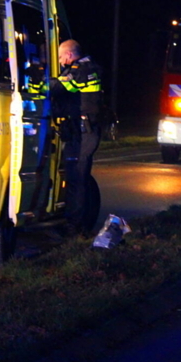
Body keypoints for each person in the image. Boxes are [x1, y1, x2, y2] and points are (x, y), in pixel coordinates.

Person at [51, 39, 104, 234]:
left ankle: (75, 227)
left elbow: (58, 87)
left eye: (61, 56)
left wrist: (33, 82)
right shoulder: (86, 67)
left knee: (77, 178)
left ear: (70, 55)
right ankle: (74, 221)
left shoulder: (81, 70)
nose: (60, 60)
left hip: (83, 132)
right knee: (75, 177)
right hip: (81, 130)